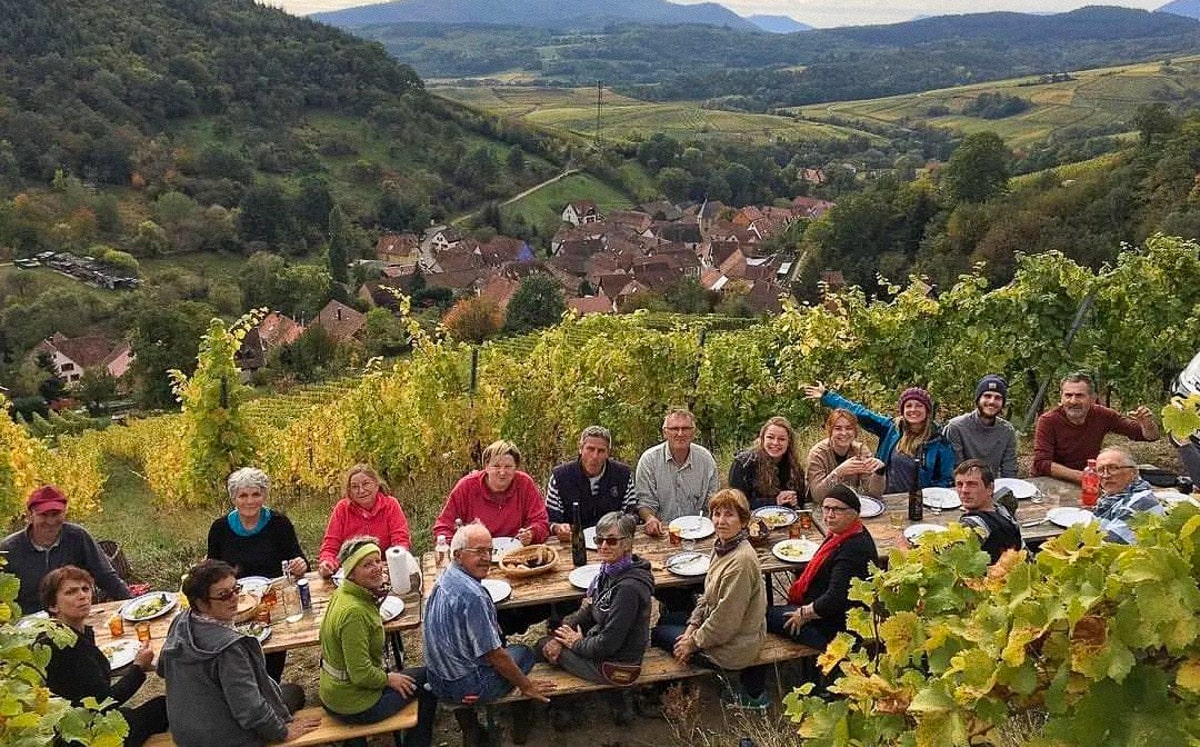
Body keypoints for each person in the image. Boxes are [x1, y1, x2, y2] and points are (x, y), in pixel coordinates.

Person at [159, 559, 318, 747]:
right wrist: (282, 732)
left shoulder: (181, 622)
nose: (235, 598)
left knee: (283, 693)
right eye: (223, 595)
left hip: (187, 734)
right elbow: (250, 710)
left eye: (236, 589)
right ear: (201, 603)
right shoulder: (229, 649)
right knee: (294, 693)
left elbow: (162, 669)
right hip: (226, 739)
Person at [424, 522, 552, 745]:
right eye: (479, 552)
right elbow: (495, 655)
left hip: (436, 678)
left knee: (499, 645)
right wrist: (526, 685)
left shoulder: (445, 577)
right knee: (525, 652)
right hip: (465, 687)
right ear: (458, 554)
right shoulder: (474, 596)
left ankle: (470, 728)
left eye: (489, 551)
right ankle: (521, 718)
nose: (486, 558)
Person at [651, 489, 768, 710]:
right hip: (731, 630)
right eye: (716, 513)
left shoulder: (740, 562)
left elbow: (726, 622)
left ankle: (671, 697)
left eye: (729, 515)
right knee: (669, 620)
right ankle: (679, 685)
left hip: (736, 645)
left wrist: (693, 643)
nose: (721, 521)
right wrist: (691, 628)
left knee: (657, 634)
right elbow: (707, 596)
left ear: (743, 521)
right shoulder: (723, 546)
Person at [537, 512, 653, 728]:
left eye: (611, 540)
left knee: (541, 646)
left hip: (618, 667)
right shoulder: (610, 571)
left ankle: (564, 707)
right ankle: (613, 701)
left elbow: (608, 643)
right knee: (552, 639)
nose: (603, 546)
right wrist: (564, 634)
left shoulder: (628, 589)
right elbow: (590, 610)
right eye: (599, 540)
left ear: (628, 543)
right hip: (605, 651)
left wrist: (574, 643)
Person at [319, 538, 435, 747]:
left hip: (335, 691)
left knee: (417, 676)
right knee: (430, 682)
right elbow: (361, 674)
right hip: (353, 703)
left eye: (377, 561)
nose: (376, 568)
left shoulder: (344, 593)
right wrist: (388, 679)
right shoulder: (353, 612)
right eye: (367, 565)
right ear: (351, 573)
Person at [40, 566, 169, 747]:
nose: (83, 595)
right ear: (53, 605)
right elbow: (105, 701)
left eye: (85, 589)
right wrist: (138, 667)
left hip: (91, 721)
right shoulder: (63, 647)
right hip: (88, 736)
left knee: (155, 707)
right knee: (165, 706)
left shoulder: (77, 632)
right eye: (71, 592)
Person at [767, 485, 876, 652]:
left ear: (854, 513)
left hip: (836, 630)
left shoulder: (853, 549)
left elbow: (835, 599)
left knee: (763, 617)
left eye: (837, 510)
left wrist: (803, 614)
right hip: (823, 613)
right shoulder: (843, 534)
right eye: (826, 508)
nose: (829, 515)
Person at [805, 383, 954, 493]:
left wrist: (927, 497)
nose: (913, 410)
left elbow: (946, 480)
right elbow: (861, 413)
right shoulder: (891, 428)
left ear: (927, 411)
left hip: (919, 503)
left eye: (919, 406)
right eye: (908, 406)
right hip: (886, 497)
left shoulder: (939, 441)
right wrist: (828, 397)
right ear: (902, 410)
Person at [3, 485, 129, 613]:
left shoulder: (78, 537)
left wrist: (130, 603)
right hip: (30, 623)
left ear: (65, 513)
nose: (50, 521)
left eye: (56, 514)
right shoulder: (9, 549)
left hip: (75, 616)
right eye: (43, 515)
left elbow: (106, 576)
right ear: (30, 515)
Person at [1032, 372, 1160, 483]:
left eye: (1079, 395)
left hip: (1089, 479)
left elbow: (1149, 436)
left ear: (1092, 398)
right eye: (1068, 395)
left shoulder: (1103, 415)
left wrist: (1146, 424)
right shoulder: (1048, 421)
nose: (1073, 401)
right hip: (1051, 483)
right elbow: (1042, 463)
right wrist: (1083, 477)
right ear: (1061, 397)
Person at [432, 440, 549, 547]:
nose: (502, 472)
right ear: (486, 466)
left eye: (508, 466)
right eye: (496, 466)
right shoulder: (466, 487)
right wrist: (459, 549)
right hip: (475, 556)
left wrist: (531, 534)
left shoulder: (525, 484)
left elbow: (541, 522)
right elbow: (443, 528)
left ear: (516, 467)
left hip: (517, 553)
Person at [635, 408, 719, 537]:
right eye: (674, 429)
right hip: (662, 532)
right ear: (665, 433)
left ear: (693, 432)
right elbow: (645, 501)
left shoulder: (706, 460)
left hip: (699, 531)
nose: (680, 433)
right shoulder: (649, 460)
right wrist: (649, 518)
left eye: (685, 428)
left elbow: (713, 500)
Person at [317, 465, 411, 578]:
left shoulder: (390, 505)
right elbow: (330, 546)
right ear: (349, 491)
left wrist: (392, 563)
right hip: (353, 574)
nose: (361, 490)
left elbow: (400, 541)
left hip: (385, 570)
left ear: (376, 485)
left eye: (366, 484)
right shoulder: (342, 509)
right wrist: (327, 563)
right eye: (355, 486)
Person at [545, 426, 637, 541]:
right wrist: (558, 528)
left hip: (613, 542)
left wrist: (620, 528)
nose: (595, 456)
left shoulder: (623, 475)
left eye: (601, 451)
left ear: (608, 453)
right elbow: (549, 520)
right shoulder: (560, 477)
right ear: (580, 448)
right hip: (573, 543)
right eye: (590, 449)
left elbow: (631, 515)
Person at [943, 374, 1018, 478]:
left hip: (992, 488)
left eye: (997, 398)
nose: (992, 401)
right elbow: (955, 470)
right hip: (961, 487)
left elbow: (1009, 470)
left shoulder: (1007, 431)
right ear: (978, 399)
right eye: (987, 396)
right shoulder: (956, 427)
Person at [806, 409, 885, 502]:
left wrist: (879, 472)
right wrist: (838, 473)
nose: (844, 433)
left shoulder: (860, 451)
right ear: (830, 430)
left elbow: (873, 495)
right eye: (838, 428)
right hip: (821, 507)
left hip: (847, 505)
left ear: (855, 431)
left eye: (849, 428)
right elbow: (817, 496)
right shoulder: (818, 454)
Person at [953, 460, 1024, 564]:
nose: (964, 490)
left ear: (990, 488)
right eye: (959, 484)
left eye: (972, 484)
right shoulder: (1002, 510)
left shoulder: (972, 525)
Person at [728, 416, 805, 510]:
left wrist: (794, 500)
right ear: (762, 439)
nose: (775, 443)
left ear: (789, 442)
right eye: (770, 437)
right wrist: (775, 501)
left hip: (784, 518)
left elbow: (801, 499)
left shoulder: (794, 467)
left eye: (782, 439)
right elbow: (736, 502)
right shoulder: (743, 464)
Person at [1093, 447, 1165, 545]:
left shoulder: (1141, 503)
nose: (1106, 475)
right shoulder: (1114, 497)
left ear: (1134, 472)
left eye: (1113, 468)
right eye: (1100, 470)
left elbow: (1107, 547)